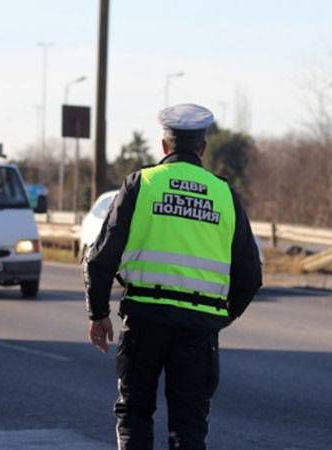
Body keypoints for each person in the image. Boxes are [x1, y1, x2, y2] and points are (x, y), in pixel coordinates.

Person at [83, 103, 262, 450]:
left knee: (134, 413)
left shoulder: (141, 184)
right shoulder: (224, 193)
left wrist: (98, 313)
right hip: (199, 327)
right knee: (189, 424)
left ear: (164, 146)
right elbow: (250, 275)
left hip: (145, 319)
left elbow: (101, 257)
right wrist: (221, 316)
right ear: (203, 149)